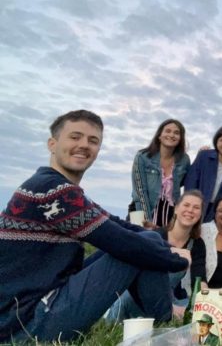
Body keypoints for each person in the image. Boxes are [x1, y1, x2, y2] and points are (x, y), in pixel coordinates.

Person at [0, 110, 190, 343]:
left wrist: (164, 244)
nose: (84, 145)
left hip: (40, 306)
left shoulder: (60, 189)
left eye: (93, 141)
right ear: (52, 143)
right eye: (75, 137)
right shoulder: (53, 190)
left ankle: (164, 319)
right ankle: (167, 322)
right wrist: (177, 259)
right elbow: (122, 242)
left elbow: (117, 223)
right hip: (29, 322)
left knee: (148, 242)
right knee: (141, 247)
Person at [108, 190, 207, 321]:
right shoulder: (156, 236)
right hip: (140, 295)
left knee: (195, 309)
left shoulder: (197, 244)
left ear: (200, 214)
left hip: (172, 298)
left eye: (196, 208)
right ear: (176, 209)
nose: (190, 210)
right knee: (125, 299)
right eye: (186, 205)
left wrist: (205, 302)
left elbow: (199, 280)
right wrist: (170, 307)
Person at [131, 119, 191, 226]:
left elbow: (184, 182)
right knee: (140, 240)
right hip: (142, 209)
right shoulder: (142, 156)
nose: (172, 135)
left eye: (176, 133)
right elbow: (140, 192)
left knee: (165, 242)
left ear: (180, 138)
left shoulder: (184, 160)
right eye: (167, 131)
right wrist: (146, 220)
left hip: (169, 213)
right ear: (159, 135)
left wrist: (201, 154)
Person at [185, 126, 222, 222]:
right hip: (197, 205)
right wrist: (190, 204)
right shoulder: (204, 156)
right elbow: (191, 182)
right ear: (216, 142)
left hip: (219, 211)